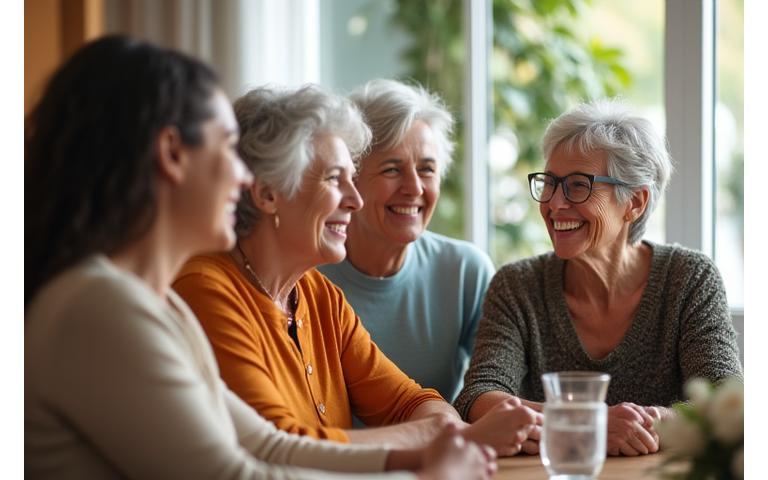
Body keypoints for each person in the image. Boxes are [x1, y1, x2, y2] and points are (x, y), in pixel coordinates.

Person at [25, 35, 499, 480]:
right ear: (172, 153)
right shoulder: (100, 307)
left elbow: (269, 446)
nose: (243, 176)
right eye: (229, 149)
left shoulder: (146, 302)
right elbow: (238, 475)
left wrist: (422, 454)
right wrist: (427, 473)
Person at [173, 84, 539, 456]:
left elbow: (409, 402)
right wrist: (447, 437)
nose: (355, 199)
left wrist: (442, 428)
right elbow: (280, 447)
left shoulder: (317, 294)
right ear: (267, 194)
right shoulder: (205, 289)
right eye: (335, 179)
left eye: (352, 178)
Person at [453, 99, 743, 457]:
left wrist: (645, 423)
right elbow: (479, 396)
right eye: (550, 183)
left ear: (635, 202)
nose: (554, 204)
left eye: (577, 186)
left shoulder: (690, 279)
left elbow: (723, 401)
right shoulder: (518, 286)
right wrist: (593, 423)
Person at [318, 79, 495, 404]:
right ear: (349, 179)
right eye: (391, 169)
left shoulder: (465, 272)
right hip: (331, 453)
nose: (414, 188)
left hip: (437, 451)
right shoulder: (303, 275)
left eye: (427, 169)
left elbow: (495, 387)